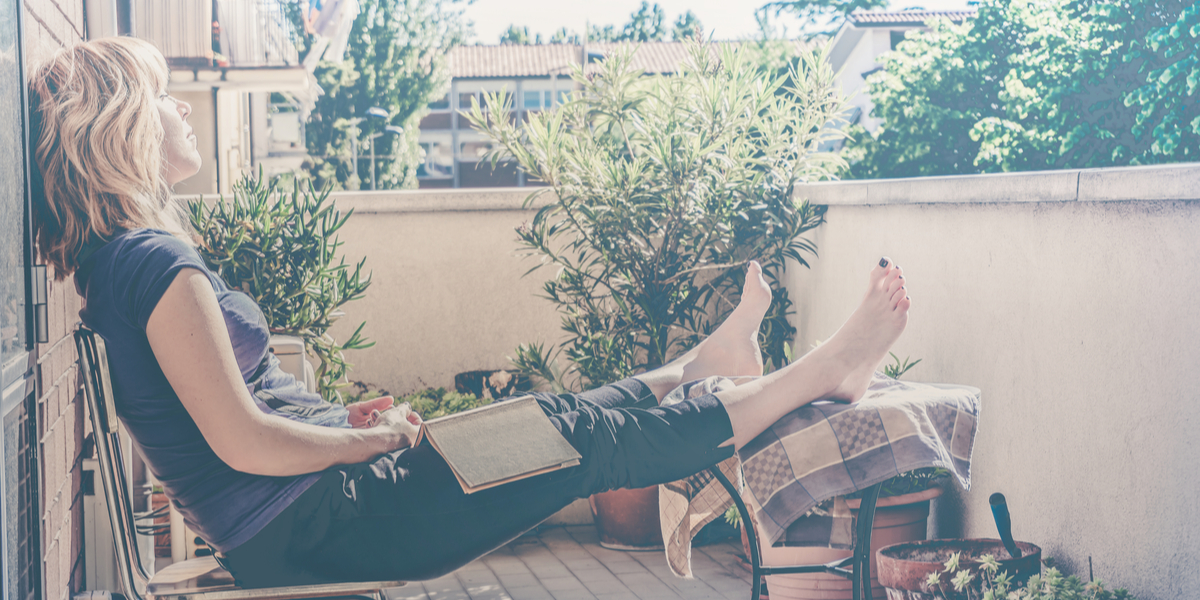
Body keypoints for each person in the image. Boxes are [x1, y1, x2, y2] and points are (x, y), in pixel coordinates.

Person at [28, 38, 911, 588]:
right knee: (584, 444)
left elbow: (242, 419)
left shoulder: (126, 263)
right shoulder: (153, 263)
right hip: (324, 522)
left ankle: (691, 371)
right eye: (164, 97)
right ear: (126, 125)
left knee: (568, 418)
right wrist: (360, 442)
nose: (182, 109)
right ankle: (816, 374)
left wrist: (344, 421)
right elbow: (243, 442)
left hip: (323, 508)